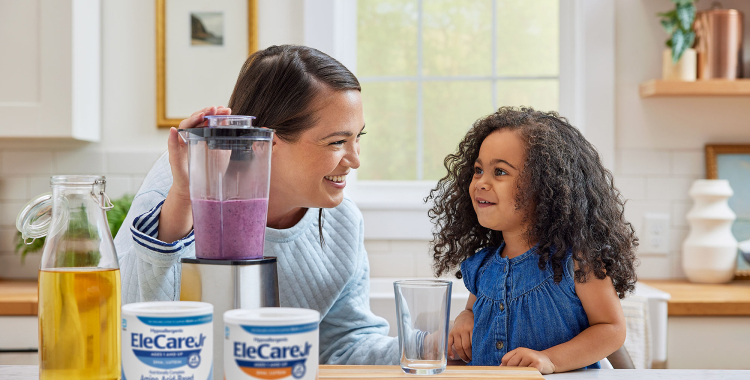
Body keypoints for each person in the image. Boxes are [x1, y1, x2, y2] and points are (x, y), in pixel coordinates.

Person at [115, 45, 400, 365]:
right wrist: (182, 196)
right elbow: (131, 329)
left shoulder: (343, 223)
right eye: (336, 142)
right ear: (266, 142)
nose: (355, 160)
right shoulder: (179, 190)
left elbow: (342, 346)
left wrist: (430, 345)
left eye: (357, 137)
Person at [426, 107, 637, 374]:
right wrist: (464, 319)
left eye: (500, 172)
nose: (481, 182)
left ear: (545, 185)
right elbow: (471, 309)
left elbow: (611, 329)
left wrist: (550, 359)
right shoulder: (483, 266)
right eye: (478, 170)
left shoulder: (577, 262)